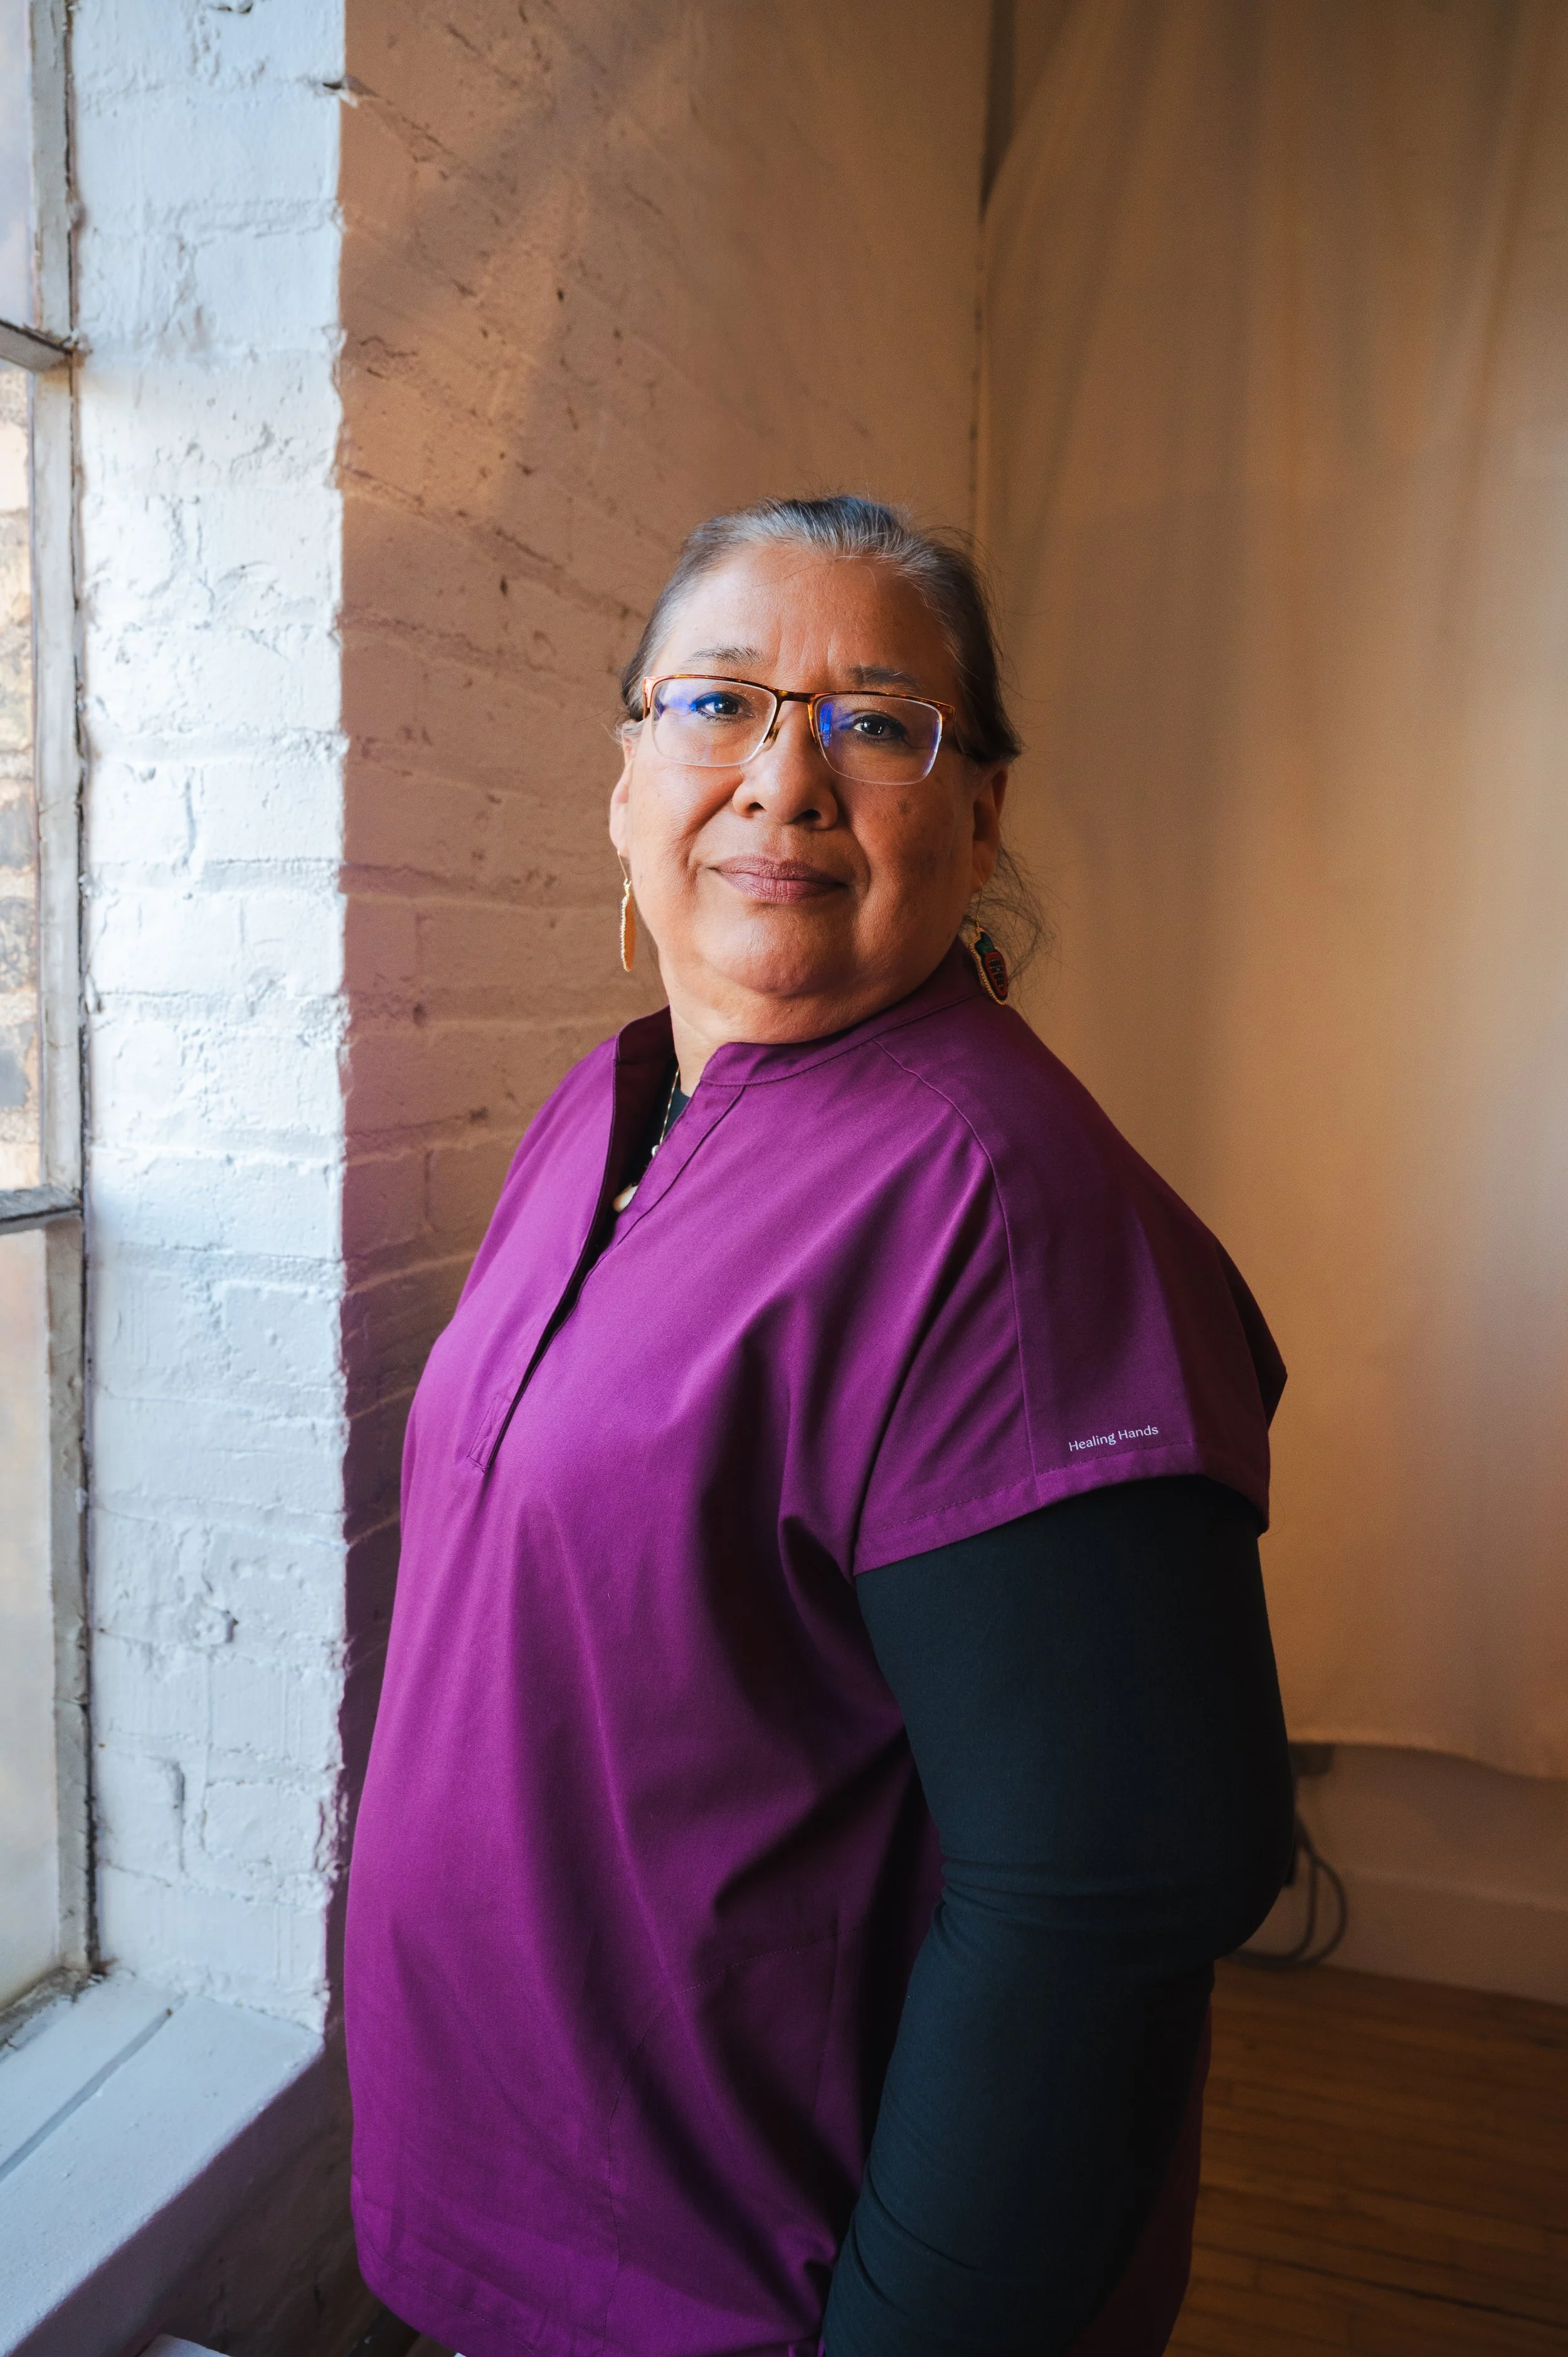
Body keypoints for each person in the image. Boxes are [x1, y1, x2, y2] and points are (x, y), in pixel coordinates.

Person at [344, 496, 1295, 2357]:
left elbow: (1106, 1896)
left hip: (745, 2280)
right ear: (626, 780)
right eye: (716, 702)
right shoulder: (615, 1105)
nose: (783, 781)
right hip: (525, 2203)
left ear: (980, 817)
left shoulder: (998, 1213)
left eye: (874, 723)